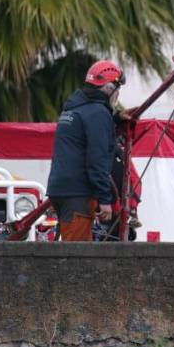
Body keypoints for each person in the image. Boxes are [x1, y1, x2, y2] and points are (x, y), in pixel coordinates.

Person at [47, 60, 122, 241]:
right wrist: (105, 199)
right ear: (109, 89)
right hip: (78, 194)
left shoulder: (75, 108)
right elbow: (97, 160)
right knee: (77, 258)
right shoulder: (98, 113)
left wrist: (116, 119)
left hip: (61, 190)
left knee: (77, 251)